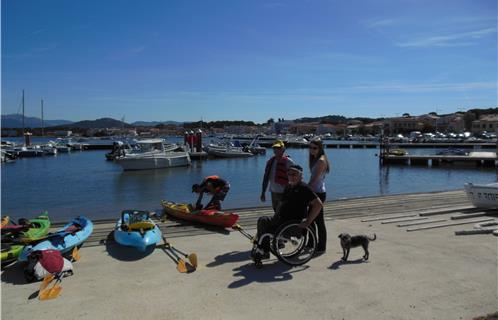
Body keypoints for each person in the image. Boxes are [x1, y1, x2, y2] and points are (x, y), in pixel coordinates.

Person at [255, 164, 323, 259]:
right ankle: (264, 250)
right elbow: (281, 204)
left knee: (266, 227)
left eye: (294, 174)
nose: (291, 176)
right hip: (282, 220)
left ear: (300, 176)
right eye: (289, 174)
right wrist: (275, 217)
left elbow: (318, 204)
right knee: (263, 220)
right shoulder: (288, 186)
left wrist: (308, 221)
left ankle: (262, 250)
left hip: (292, 225)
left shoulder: (304, 188)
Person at [308, 138, 330, 254]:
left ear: (320, 148)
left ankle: (322, 246)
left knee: (318, 220)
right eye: (310, 147)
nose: (312, 150)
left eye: (314, 148)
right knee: (310, 219)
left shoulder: (321, 160)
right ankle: (311, 242)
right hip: (314, 191)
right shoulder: (315, 159)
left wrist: (305, 189)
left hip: (318, 193)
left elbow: (315, 179)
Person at [260, 140, 295, 212]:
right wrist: (263, 192)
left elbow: (295, 178)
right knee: (276, 211)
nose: (276, 150)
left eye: (278, 148)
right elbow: (266, 178)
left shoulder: (289, 162)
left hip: (284, 193)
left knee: (284, 211)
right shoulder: (271, 161)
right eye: (274, 148)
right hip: (273, 192)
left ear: (283, 149)